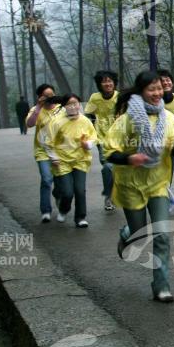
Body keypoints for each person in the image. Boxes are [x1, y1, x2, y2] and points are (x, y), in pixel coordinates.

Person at [104, 71, 174, 303]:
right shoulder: (127, 118)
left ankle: (161, 285)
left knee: (162, 234)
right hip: (130, 184)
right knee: (139, 233)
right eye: (152, 89)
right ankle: (127, 233)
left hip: (158, 183)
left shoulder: (168, 118)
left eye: (159, 88)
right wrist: (130, 159)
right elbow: (108, 151)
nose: (157, 93)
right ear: (141, 92)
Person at [45, 94, 97, 228]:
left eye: (76, 103)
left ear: (80, 104)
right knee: (67, 192)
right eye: (69, 104)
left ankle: (80, 217)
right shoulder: (57, 122)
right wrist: (53, 157)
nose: (73, 106)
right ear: (64, 106)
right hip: (62, 161)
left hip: (80, 160)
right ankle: (63, 208)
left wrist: (89, 144)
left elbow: (93, 136)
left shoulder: (85, 121)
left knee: (80, 190)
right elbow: (48, 142)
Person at [84, 70, 119, 211]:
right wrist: (90, 132)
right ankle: (109, 196)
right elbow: (88, 115)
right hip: (102, 138)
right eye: (104, 81)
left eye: (110, 80)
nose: (107, 83)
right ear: (100, 84)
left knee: (117, 169)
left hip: (120, 138)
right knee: (108, 167)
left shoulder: (120, 96)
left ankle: (116, 193)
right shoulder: (95, 97)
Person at [26, 84, 60, 223]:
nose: (49, 98)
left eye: (51, 95)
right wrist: (38, 108)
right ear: (40, 97)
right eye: (46, 95)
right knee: (47, 179)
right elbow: (29, 124)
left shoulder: (60, 108)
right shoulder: (36, 110)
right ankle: (45, 210)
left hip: (60, 151)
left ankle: (58, 194)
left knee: (60, 181)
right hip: (42, 151)